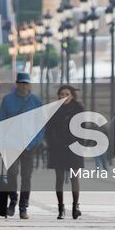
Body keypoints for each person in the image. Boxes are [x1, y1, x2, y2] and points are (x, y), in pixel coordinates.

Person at [0, 71, 42, 219]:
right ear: (17, 84)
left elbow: (41, 125)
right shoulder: (7, 100)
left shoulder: (36, 101)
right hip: (11, 144)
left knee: (26, 176)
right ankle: (12, 202)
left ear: (29, 85)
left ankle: (23, 207)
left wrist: (36, 141)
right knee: (11, 174)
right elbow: (1, 122)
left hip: (29, 146)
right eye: (22, 83)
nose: (24, 86)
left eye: (26, 83)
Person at [44, 84, 85, 219]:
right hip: (58, 148)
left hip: (74, 147)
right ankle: (60, 208)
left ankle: (75, 207)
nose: (64, 97)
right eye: (61, 94)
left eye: (67, 94)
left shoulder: (79, 109)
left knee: (74, 178)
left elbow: (83, 129)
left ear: (72, 96)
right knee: (59, 179)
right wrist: (52, 143)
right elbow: (48, 130)